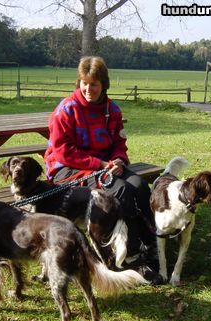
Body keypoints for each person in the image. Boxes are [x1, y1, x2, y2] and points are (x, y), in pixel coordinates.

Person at [44, 56, 160, 283]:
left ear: (103, 84)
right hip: (67, 169)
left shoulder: (112, 109)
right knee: (121, 191)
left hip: (105, 165)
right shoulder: (66, 109)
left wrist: (118, 160)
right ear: (78, 82)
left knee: (138, 185)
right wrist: (100, 165)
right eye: (84, 83)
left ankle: (153, 244)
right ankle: (130, 258)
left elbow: (119, 143)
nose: (88, 89)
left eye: (94, 84)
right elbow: (62, 151)